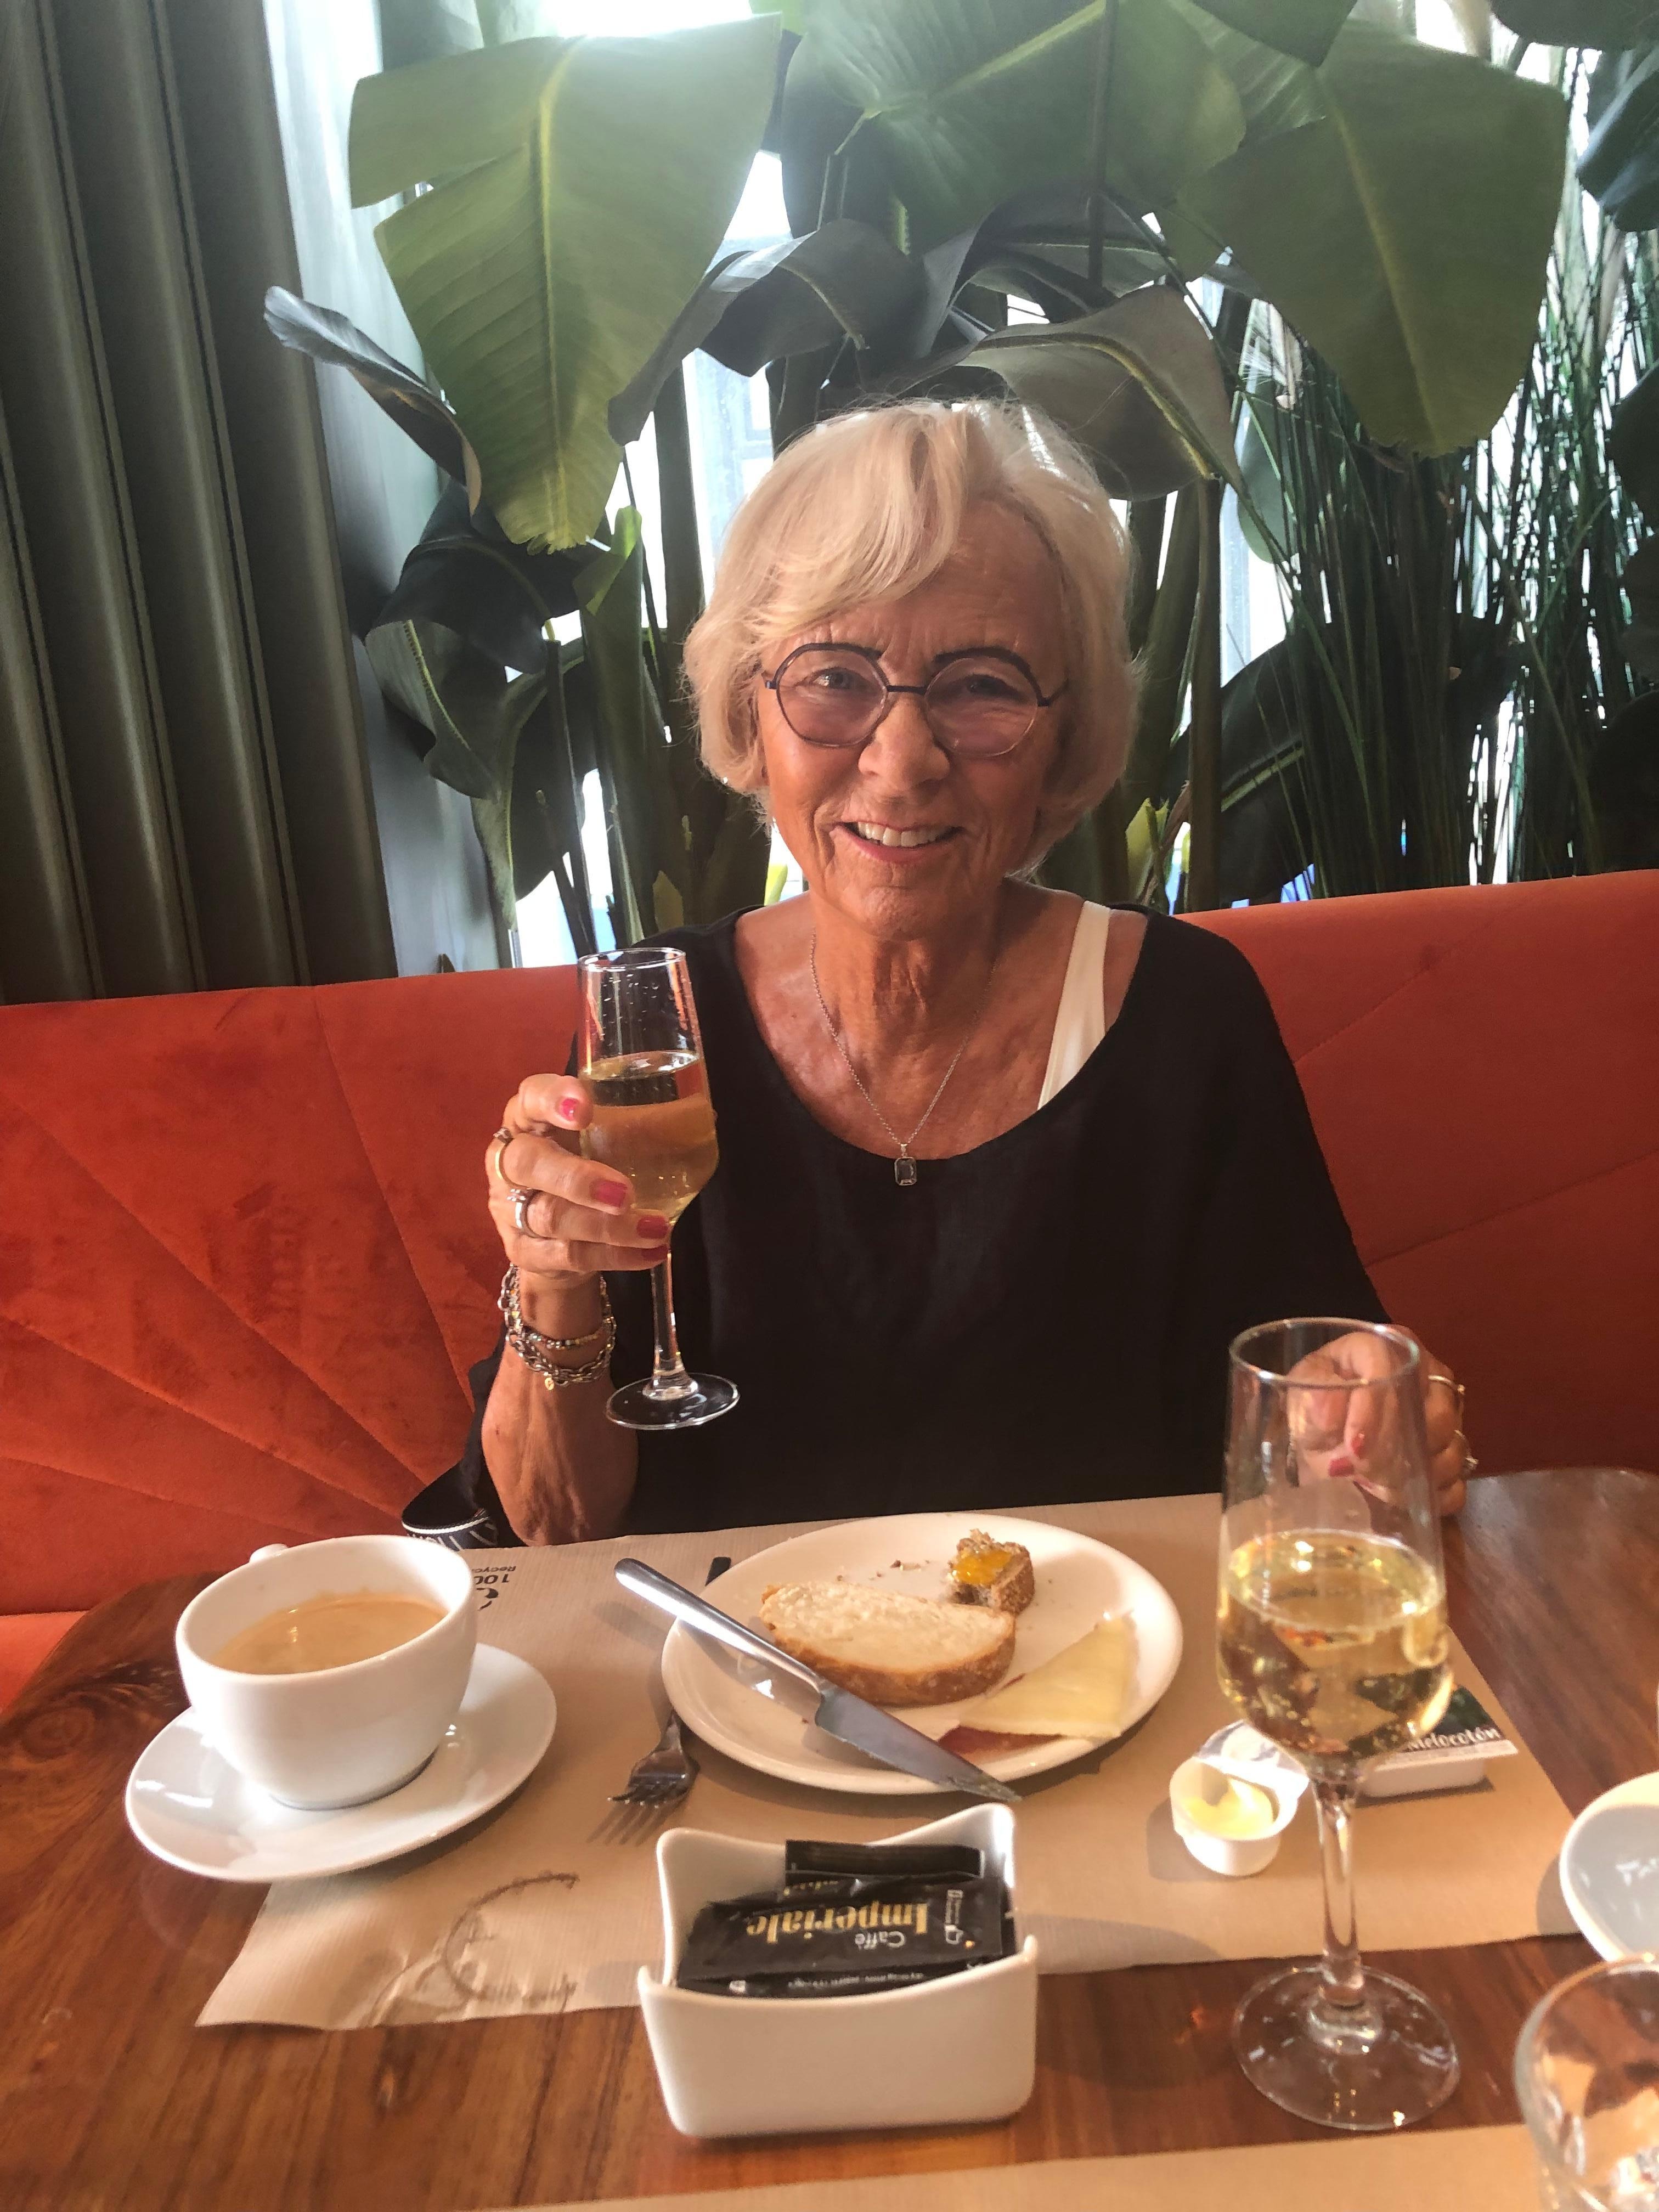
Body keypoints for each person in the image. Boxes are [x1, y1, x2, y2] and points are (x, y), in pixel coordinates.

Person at [443, 400, 1471, 1547]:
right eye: (835, 678)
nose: (901, 764)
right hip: (732, 1657)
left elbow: (1324, 1417)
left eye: (982, 686)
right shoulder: (662, 1031)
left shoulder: (1187, 1018)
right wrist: (553, 1279)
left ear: (1064, 732)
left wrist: (1373, 1417)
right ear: (750, 708)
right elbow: (555, 1526)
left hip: (1107, 1648)